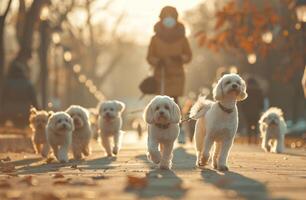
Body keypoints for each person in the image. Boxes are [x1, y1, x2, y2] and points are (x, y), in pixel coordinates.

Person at [147, 6, 192, 143]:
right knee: (159, 104)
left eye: (171, 16)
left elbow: (189, 55)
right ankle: (156, 130)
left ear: (176, 18)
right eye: (166, 16)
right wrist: (157, 61)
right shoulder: (155, 38)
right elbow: (150, 56)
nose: (169, 20)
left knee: (175, 103)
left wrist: (180, 58)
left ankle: (180, 130)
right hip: (161, 75)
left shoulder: (182, 37)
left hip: (177, 75)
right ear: (161, 18)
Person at [0, 60, 38, 129]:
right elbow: (34, 99)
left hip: (9, 111)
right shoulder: (28, 83)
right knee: (22, 128)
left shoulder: (7, 83)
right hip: (25, 112)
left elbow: (2, 98)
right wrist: (37, 110)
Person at [240, 77, 264, 144]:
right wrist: (261, 108)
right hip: (256, 111)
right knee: (256, 126)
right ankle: (256, 140)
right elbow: (261, 102)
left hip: (247, 112)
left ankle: (249, 140)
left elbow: (243, 102)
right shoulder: (259, 91)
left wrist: (243, 110)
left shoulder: (246, 91)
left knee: (248, 126)